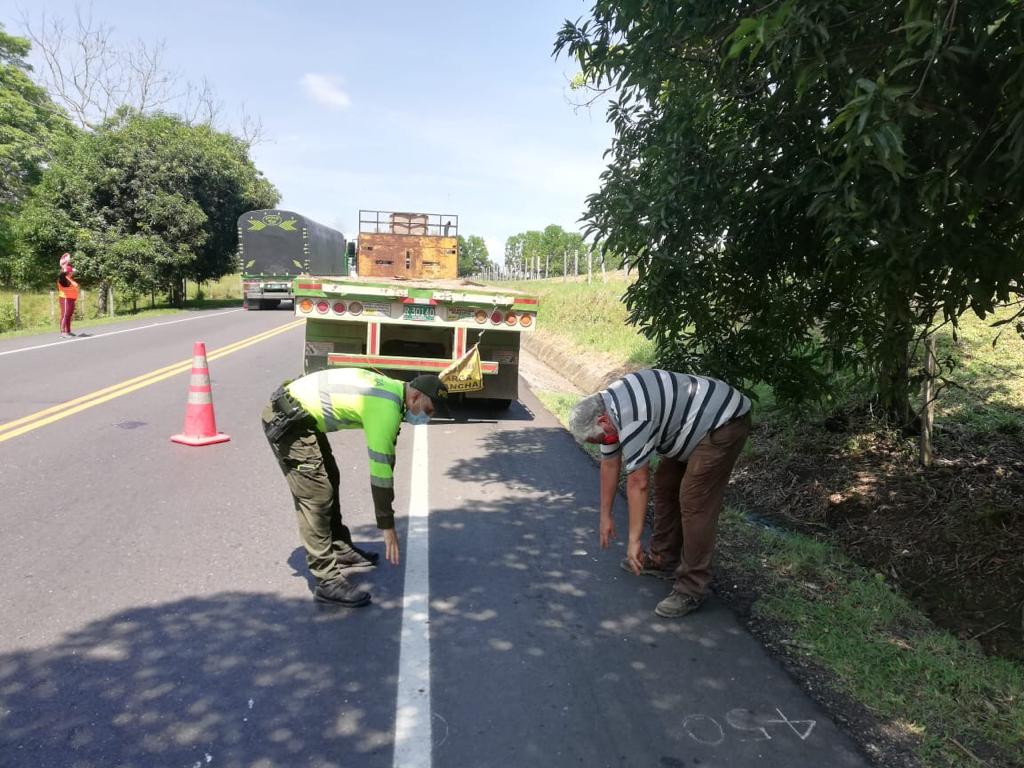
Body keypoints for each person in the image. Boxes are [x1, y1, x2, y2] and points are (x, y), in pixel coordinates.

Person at [568, 369, 751, 618]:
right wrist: (605, 516)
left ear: (602, 421)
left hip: (723, 422)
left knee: (695, 502)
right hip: (688, 428)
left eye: (598, 440)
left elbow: (638, 482)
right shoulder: (609, 413)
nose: (603, 443)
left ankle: (692, 588)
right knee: (666, 482)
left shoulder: (632, 416)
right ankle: (663, 558)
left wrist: (633, 541)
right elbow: (609, 465)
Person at [261, 369, 449, 606]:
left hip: (300, 414)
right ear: (415, 397)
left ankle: (339, 547)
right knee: (316, 495)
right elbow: (381, 471)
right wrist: (387, 526)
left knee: (330, 476)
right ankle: (327, 581)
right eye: (428, 410)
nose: (428, 417)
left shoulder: (394, 390)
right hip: (287, 422)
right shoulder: (386, 408)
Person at [56, 253, 79, 338]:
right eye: (71, 271)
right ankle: (63, 332)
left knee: (69, 314)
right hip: (65, 298)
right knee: (65, 314)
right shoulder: (63, 279)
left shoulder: (69, 278)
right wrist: (64, 267)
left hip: (71, 299)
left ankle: (68, 331)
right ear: (68, 272)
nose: (73, 272)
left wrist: (66, 266)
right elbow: (62, 275)